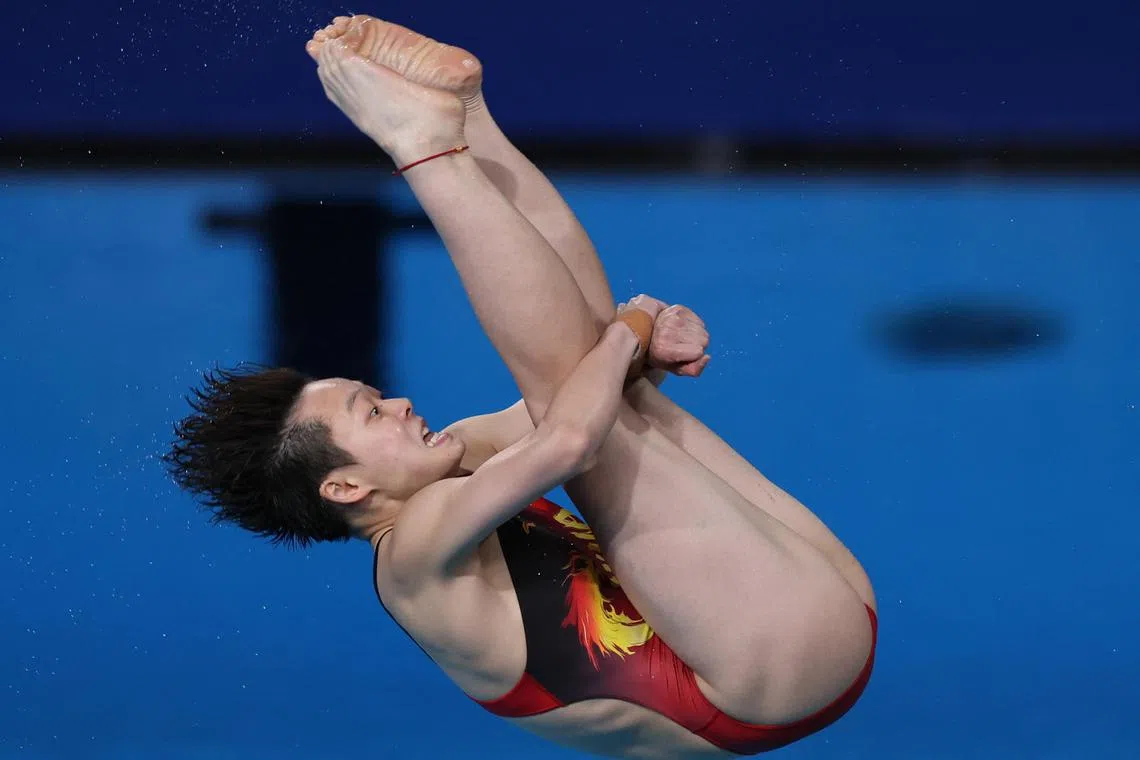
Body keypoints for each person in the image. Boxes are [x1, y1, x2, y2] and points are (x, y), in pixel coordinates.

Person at [166, 15, 878, 758]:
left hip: (801, 619)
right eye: (372, 412)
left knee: (596, 384)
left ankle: (467, 122)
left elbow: (582, 384)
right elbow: (568, 440)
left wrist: (647, 338)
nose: (402, 402)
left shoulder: (453, 466)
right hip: (758, 684)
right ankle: (426, 149)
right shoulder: (412, 556)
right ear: (346, 488)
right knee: (581, 394)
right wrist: (635, 323)